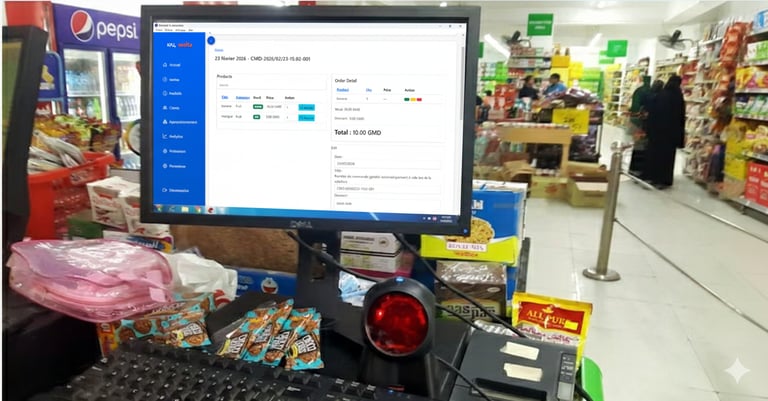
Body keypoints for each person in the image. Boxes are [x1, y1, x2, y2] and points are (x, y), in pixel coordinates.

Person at [645, 75, 686, 189]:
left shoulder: (661, 95)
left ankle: (653, 177)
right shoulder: (678, 97)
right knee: (667, 158)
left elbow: (652, 113)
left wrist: (649, 129)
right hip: (670, 134)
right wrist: (680, 137)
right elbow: (680, 118)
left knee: (655, 154)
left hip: (657, 132)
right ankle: (665, 179)